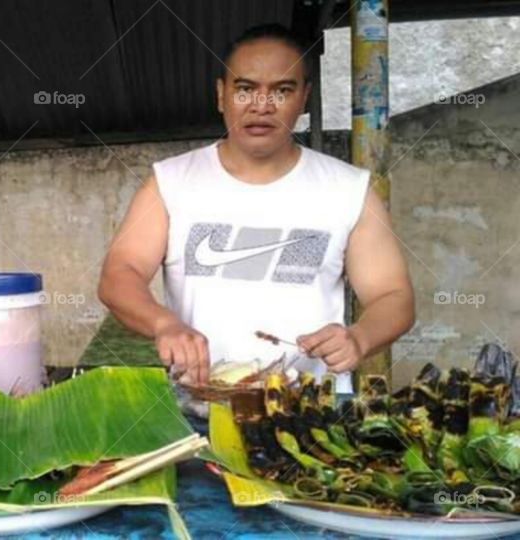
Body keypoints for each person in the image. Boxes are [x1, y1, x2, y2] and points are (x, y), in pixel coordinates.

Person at [97, 24, 414, 392]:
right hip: (197, 410)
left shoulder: (349, 189)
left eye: (282, 90)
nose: (261, 105)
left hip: (308, 416)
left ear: (304, 98)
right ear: (221, 95)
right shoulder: (170, 182)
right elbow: (119, 274)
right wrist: (163, 324)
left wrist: (359, 337)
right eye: (245, 89)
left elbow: (394, 296)